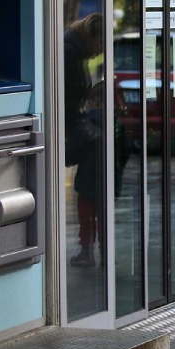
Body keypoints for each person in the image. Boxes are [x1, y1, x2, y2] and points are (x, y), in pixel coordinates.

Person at [64, 13, 105, 268]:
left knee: (91, 187)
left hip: (74, 126)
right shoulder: (71, 53)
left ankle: (90, 248)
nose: (100, 50)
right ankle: (91, 248)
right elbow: (69, 99)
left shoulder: (75, 51)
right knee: (92, 188)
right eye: (100, 44)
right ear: (91, 36)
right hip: (69, 130)